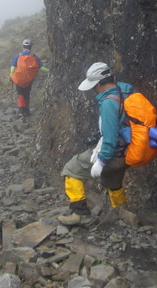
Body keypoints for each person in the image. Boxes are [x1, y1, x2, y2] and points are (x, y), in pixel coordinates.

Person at [58, 62, 131, 225]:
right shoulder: (125, 90)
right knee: (114, 181)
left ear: (98, 83)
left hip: (114, 152)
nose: (92, 90)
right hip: (128, 151)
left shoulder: (108, 102)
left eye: (93, 86)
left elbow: (111, 137)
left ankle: (80, 214)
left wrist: (101, 160)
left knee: (71, 169)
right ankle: (122, 212)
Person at [10, 39, 49, 117]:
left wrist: (11, 76)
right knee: (27, 94)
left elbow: (13, 68)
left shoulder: (17, 56)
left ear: (23, 46)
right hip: (28, 80)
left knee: (20, 94)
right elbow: (42, 68)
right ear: (30, 47)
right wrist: (51, 71)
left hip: (19, 79)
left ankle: (21, 111)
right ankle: (27, 111)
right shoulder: (34, 57)